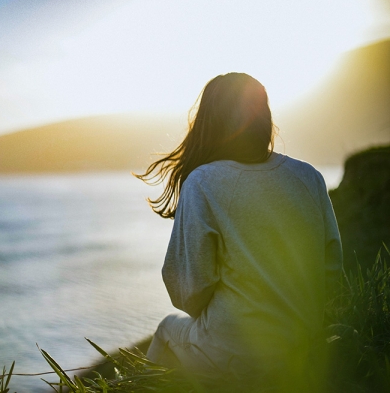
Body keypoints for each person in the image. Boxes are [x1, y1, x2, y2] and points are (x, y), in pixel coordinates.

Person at [136, 73, 343, 389]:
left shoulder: (203, 182)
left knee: (167, 330)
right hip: (305, 345)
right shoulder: (309, 177)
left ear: (209, 122)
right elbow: (332, 272)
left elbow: (187, 291)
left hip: (237, 353)